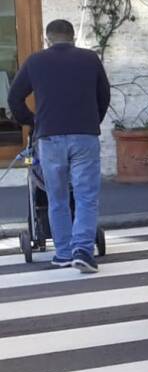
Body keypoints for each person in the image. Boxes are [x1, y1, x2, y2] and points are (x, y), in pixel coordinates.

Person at [8, 19, 110, 273]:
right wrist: (91, 120)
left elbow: (14, 98)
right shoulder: (90, 59)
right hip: (84, 135)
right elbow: (104, 95)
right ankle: (83, 250)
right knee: (86, 196)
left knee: (57, 197)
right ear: (73, 37)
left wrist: (32, 122)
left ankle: (63, 252)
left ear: (47, 39)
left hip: (49, 138)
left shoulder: (35, 61)